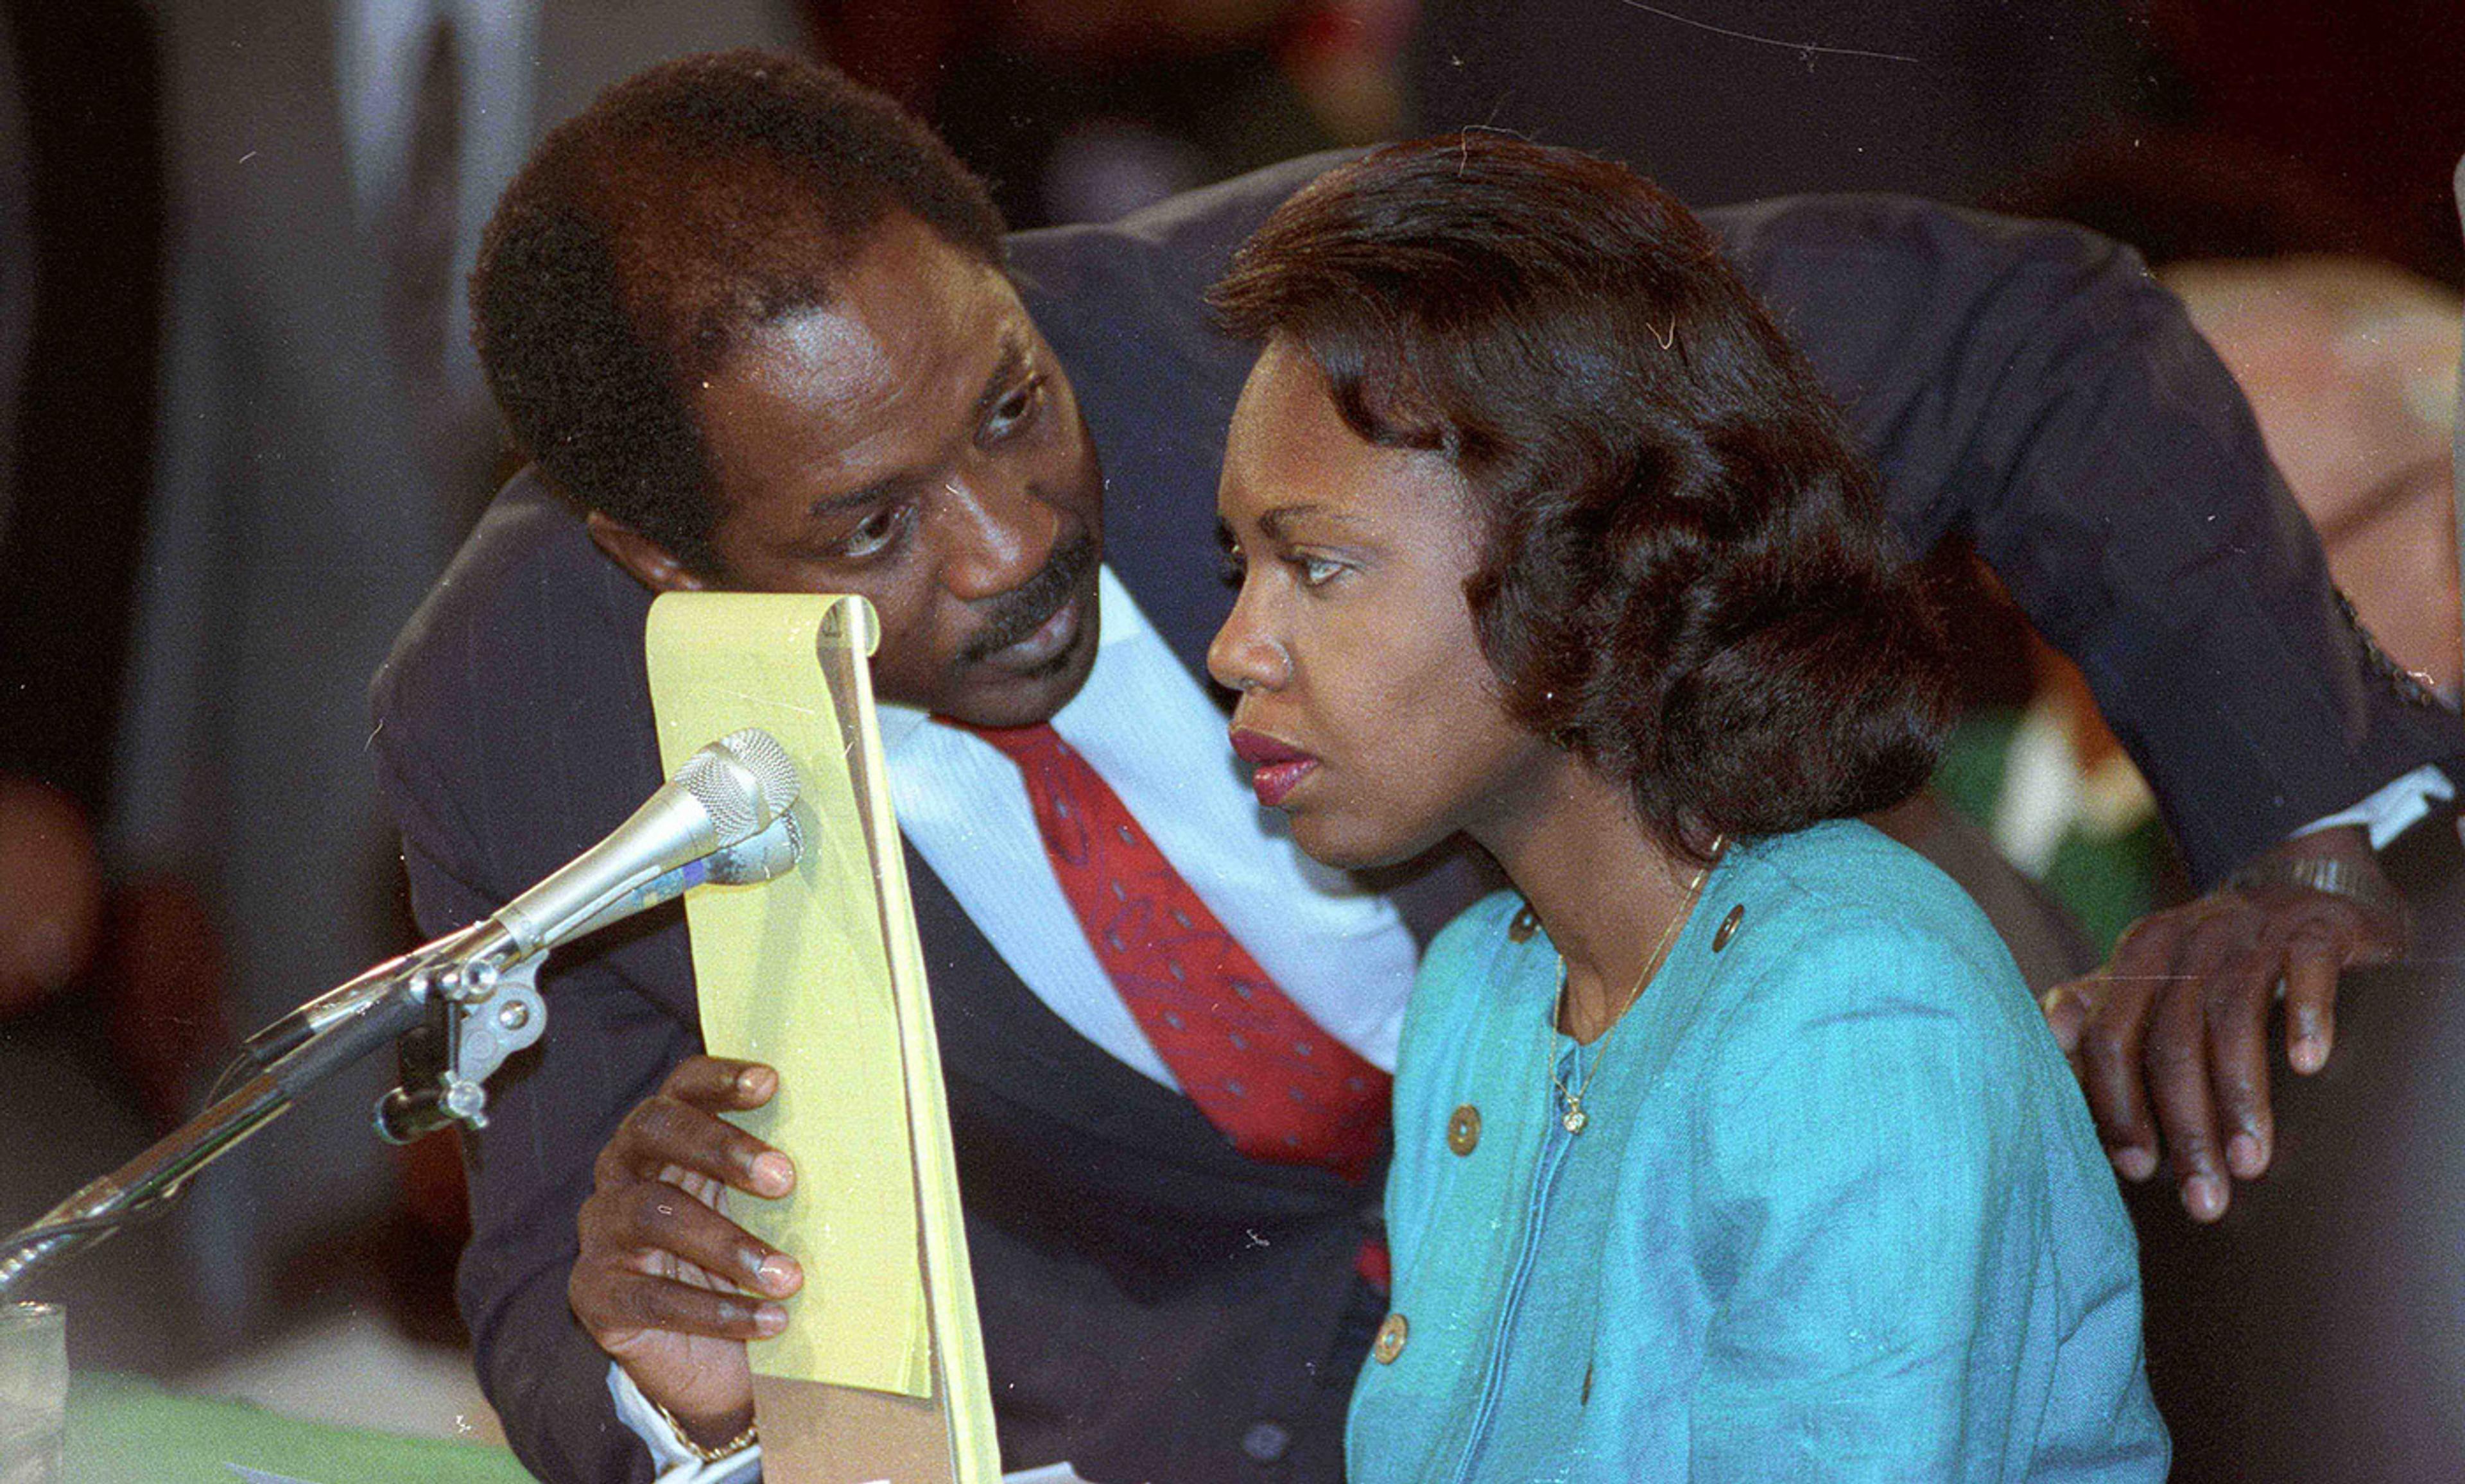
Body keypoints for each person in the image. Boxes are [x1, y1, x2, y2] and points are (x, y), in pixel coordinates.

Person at [370, 53, 2445, 1483]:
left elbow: (2026, 340)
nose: (1014, 552)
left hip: (1818, 1151)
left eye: (1013, 407)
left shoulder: (1328, 350)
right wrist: (673, 1372)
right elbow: (551, 1282)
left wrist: (2321, 834)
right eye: (870, 532)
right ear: (659, 555)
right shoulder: (525, 713)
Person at [1206, 131, 2166, 1482]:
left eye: (1314, 565)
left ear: (1584, 565)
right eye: (1241, 566)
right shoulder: (1484, 991)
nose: (1236, 647)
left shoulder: (1852, 1010)